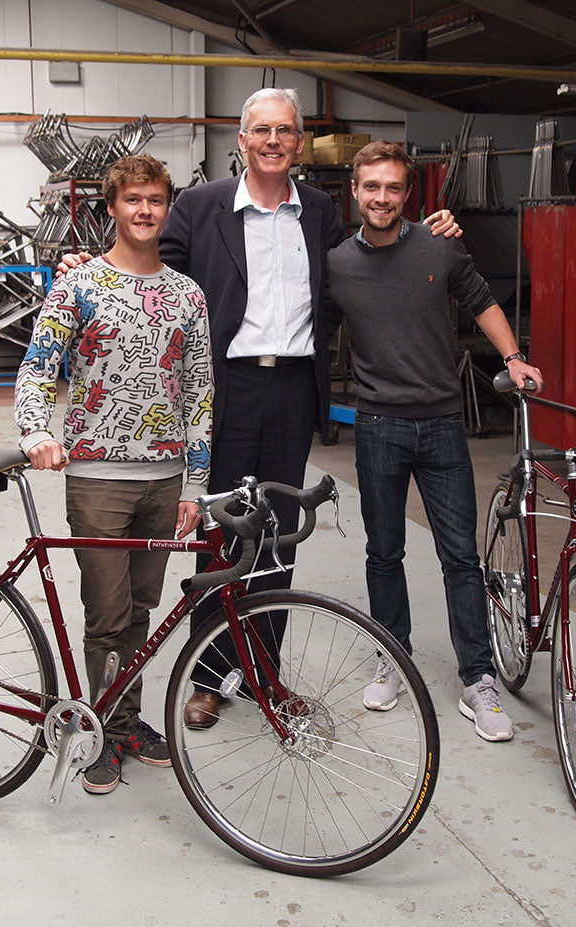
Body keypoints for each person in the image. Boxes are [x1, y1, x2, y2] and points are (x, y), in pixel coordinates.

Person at [61, 88, 461, 730]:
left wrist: (432, 231)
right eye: (261, 130)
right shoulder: (199, 206)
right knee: (219, 534)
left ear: (300, 143)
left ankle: (264, 674)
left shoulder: (323, 211)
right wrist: (89, 266)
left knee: (277, 536)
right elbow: (148, 272)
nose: (273, 141)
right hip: (225, 389)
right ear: (241, 141)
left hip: (293, 389)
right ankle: (211, 676)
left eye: (286, 131)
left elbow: (370, 252)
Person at [325, 141, 544, 742]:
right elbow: (310, 327)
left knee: (460, 557)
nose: (382, 198)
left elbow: (481, 302)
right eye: (372, 187)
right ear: (356, 192)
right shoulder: (338, 264)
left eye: (393, 188)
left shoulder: (440, 245)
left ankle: (477, 679)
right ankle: (392, 657)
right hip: (376, 427)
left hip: (443, 424)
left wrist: (514, 357)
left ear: (408, 195)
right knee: (383, 551)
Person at [14, 153, 213, 793]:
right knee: (105, 614)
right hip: (98, 477)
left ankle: (122, 721)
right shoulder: (78, 286)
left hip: (164, 477)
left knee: (139, 611)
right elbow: (38, 366)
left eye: (156, 200)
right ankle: (98, 728)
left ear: (167, 208)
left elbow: (199, 389)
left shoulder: (187, 294)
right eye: (133, 200)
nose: (145, 211)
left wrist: (196, 484)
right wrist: (36, 428)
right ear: (113, 209)